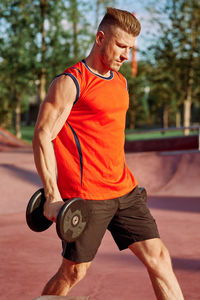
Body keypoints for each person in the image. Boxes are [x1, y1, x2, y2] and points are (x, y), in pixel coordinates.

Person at [32, 7, 184, 300]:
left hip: (125, 190)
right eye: (121, 46)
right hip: (87, 196)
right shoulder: (71, 83)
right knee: (74, 273)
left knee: (160, 258)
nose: (127, 55)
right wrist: (52, 196)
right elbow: (43, 136)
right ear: (100, 38)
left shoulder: (121, 82)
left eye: (131, 48)